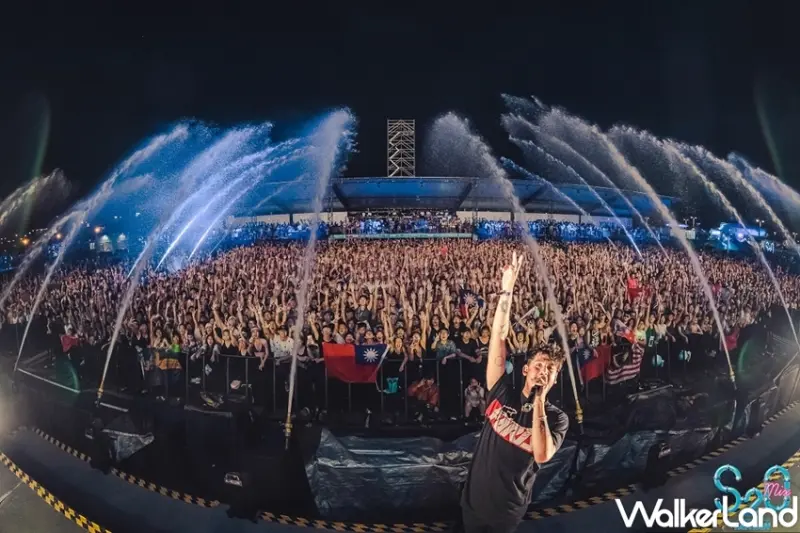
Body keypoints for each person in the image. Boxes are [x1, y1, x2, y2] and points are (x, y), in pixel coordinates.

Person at [461, 252, 569, 533]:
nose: (542, 371)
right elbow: (498, 337)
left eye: (550, 369)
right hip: (472, 503)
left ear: (555, 379)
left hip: (506, 513)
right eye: (539, 365)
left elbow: (542, 455)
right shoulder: (502, 392)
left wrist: (540, 400)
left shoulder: (557, 419)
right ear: (525, 369)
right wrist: (507, 289)